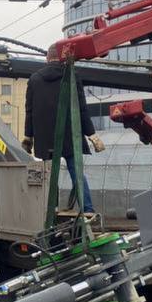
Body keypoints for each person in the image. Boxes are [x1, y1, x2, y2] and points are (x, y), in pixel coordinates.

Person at [24, 62, 104, 213]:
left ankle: (51, 211)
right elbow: (82, 109)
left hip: (45, 138)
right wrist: (92, 135)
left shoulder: (34, 79)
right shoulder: (72, 76)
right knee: (77, 174)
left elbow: (29, 111)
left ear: (48, 58)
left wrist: (28, 137)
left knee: (49, 177)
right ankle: (87, 210)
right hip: (70, 135)